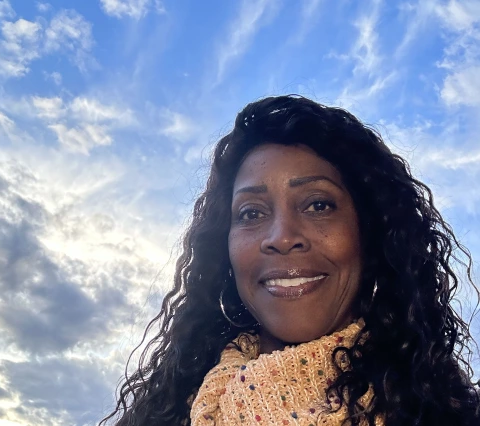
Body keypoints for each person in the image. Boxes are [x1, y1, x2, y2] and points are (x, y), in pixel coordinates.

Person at [100, 95, 480, 425]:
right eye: (251, 213)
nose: (282, 236)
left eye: (318, 205)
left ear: (371, 233)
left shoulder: (450, 413)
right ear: (225, 249)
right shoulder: (162, 414)